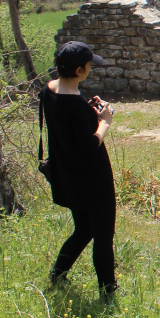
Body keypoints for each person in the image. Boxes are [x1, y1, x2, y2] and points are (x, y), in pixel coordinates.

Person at [43, 42, 118, 298]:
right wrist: (104, 121)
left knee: (84, 229)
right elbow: (88, 145)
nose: (90, 69)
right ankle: (108, 292)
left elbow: (68, 125)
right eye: (88, 66)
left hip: (68, 175)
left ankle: (58, 273)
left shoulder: (50, 91)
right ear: (79, 70)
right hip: (93, 179)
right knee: (103, 235)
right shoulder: (74, 105)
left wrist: (89, 111)